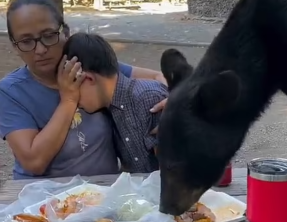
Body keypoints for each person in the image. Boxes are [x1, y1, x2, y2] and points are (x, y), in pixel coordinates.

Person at [0, 0, 167, 179]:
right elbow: (34, 163)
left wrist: (176, 101)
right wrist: (69, 100)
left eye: (49, 35)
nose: (40, 49)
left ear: (66, 33)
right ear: (14, 45)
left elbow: (160, 77)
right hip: (43, 198)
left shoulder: (86, 65)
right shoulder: (11, 92)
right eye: (26, 41)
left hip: (103, 193)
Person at [63, 33, 168, 173]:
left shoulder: (148, 99)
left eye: (73, 88)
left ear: (88, 79)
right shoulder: (110, 108)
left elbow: (170, 174)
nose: (74, 100)